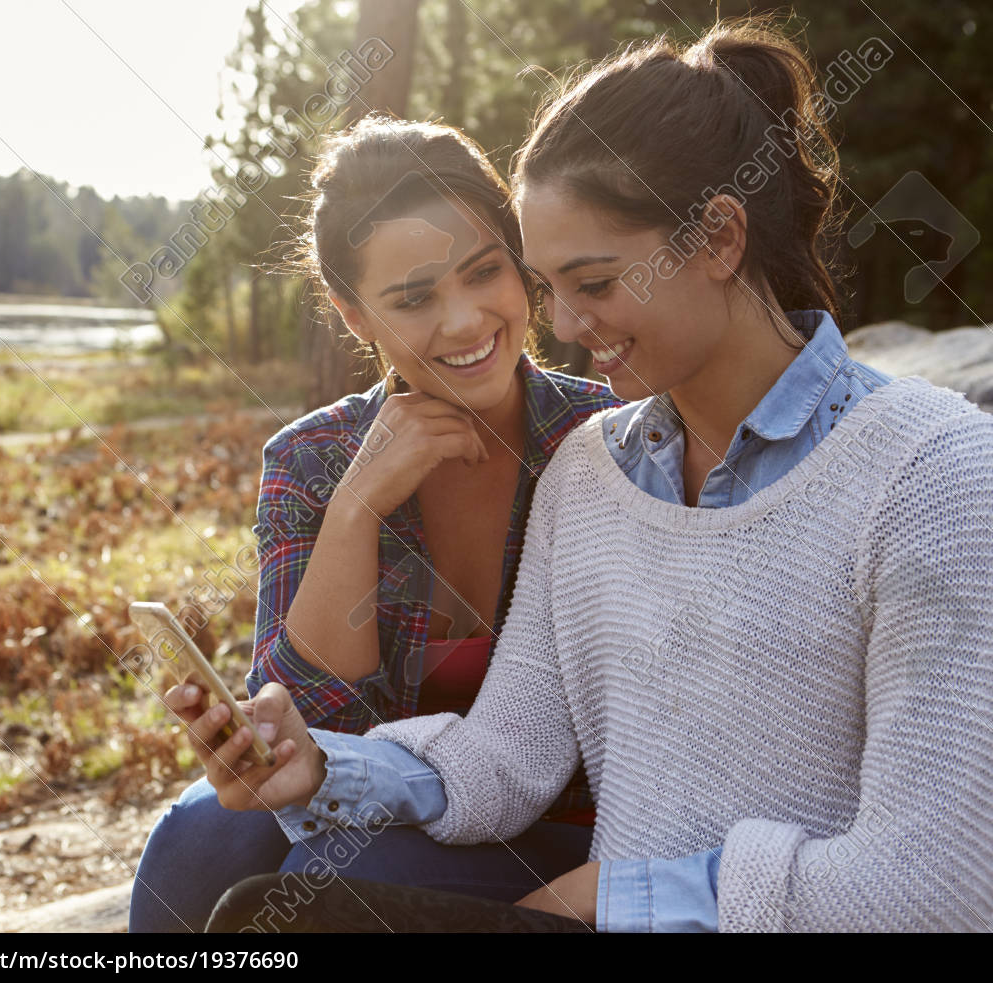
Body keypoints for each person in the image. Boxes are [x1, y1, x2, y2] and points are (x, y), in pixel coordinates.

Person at [194, 18, 993, 933]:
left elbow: (937, 891)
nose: (565, 327)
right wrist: (325, 767)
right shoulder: (589, 469)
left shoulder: (933, 476)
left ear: (720, 237)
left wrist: (617, 893)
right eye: (549, 286)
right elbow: (506, 756)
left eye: (598, 283)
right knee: (267, 919)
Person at [127, 116, 620, 933]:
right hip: (368, 788)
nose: (463, 321)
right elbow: (308, 741)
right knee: (195, 843)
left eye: (483, 271)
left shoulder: (605, 435)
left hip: (556, 819)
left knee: (326, 877)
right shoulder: (313, 460)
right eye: (414, 297)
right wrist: (356, 508)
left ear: (519, 260)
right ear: (353, 313)